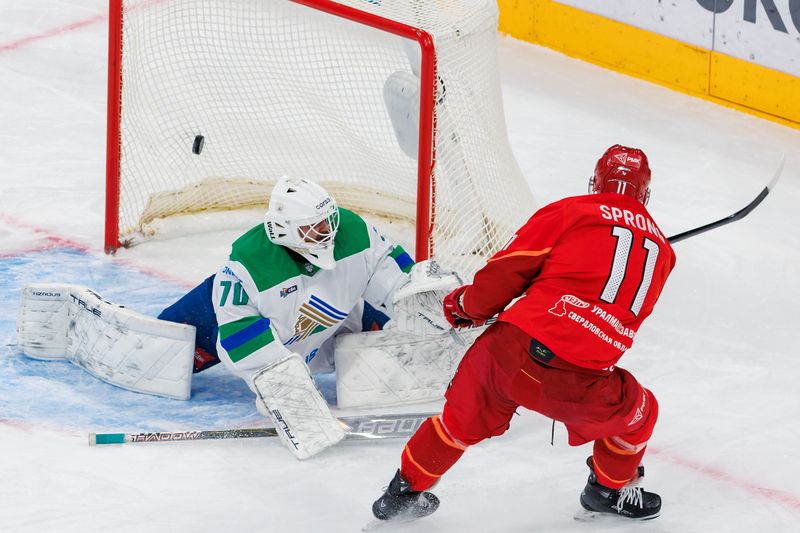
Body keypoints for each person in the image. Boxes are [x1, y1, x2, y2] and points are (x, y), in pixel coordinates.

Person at [370, 145, 676, 522]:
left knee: (458, 423)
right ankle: (606, 491)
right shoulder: (663, 252)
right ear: (645, 193)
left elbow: (509, 270)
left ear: (595, 183)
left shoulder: (572, 211)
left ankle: (401, 494)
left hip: (508, 352)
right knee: (640, 413)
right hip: (576, 380)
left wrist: (466, 307)